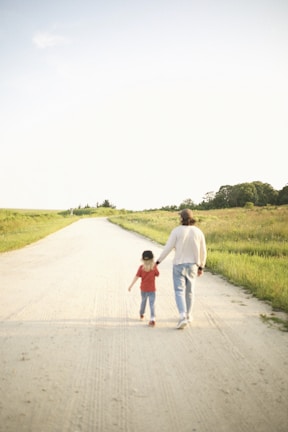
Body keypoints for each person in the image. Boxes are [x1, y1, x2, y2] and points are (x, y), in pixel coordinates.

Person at [156, 209, 207, 330]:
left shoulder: (176, 231)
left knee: (179, 291)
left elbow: (168, 247)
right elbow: (203, 251)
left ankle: (182, 315)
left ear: (181, 218)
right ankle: (189, 315)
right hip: (193, 265)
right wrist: (201, 266)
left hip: (179, 264)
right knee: (190, 291)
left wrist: (158, 261)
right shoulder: (198, 232)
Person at [128, 250, 159, 327]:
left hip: (143, 289)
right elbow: (158, 274)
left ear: (142, 259)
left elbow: (136, 277)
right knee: (152, 304)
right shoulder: (154, 267)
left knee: (143, 301)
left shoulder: (141, 268)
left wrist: (131, 285)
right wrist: (155, 267)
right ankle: (153, 318)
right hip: (152, 289)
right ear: (152, 259)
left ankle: (141, 314)